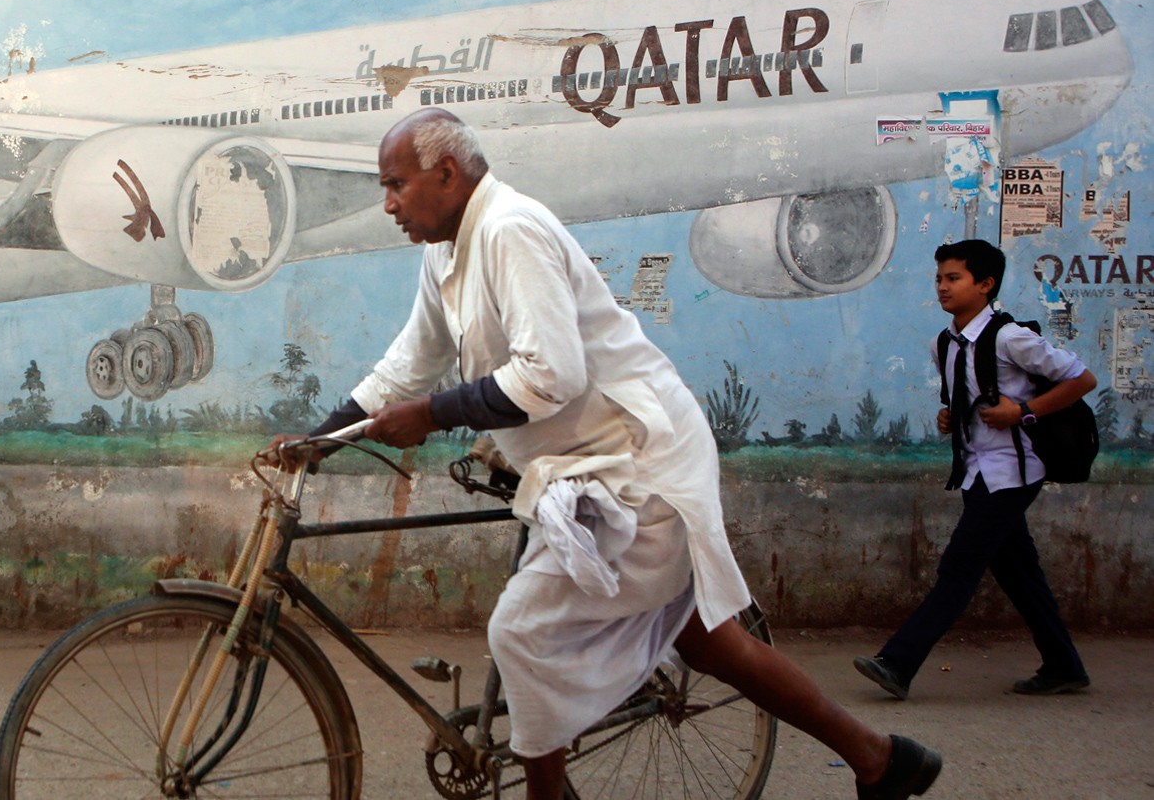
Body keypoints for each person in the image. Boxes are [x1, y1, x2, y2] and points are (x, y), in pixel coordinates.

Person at [282, 108, 941, 800]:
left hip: (636, 465)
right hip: (581, 466)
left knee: (521, 633)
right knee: (710, 642)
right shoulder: (446, 249)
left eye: (395, 185)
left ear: (446, 174)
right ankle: (880, 757)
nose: (387, 204)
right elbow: (411, 360)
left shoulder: (511, 229)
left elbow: (549, 373)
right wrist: (322, 437)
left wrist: (433, 413)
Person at [854, 240, 1094, 701]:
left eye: (954, 278)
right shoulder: (942, 344)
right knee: (1019, 572)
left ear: (985, 285)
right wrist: (950, 417)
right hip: (975, 471)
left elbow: (1081, 379)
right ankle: (1064, 665)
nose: (943, 287)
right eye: (940, 278)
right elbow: (961, 399)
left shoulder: (1011, 337)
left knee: (960, 566)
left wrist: (1023, 411)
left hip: (1013, 472)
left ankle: (898, 663)